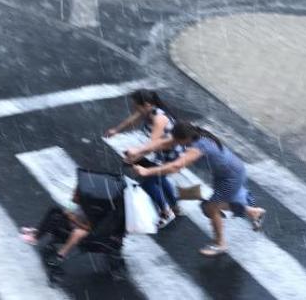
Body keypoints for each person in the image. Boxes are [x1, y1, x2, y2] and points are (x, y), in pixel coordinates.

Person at [129, 122, 266, 257]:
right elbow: (163, 143)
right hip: (229, 172)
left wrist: (147, 172)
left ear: (184, 139)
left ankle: (220, 243)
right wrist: (139, 151)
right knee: (214, 205)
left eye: (178, 141)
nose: (175, 144)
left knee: (210, 208)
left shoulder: (197, 148)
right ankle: (253, 212)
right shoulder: (193, 135)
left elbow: (175, 167)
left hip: (230, 177)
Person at [104, 89, 181, 228]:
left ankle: (166, 212)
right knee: (159, 178)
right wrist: (116, 129)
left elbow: (152, 145)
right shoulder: (148, 111)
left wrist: (135, 157)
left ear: (146, 104)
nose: (135, 108)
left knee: (148, 182)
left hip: (171, 154)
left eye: (137, 106)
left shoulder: (159, 119)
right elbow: (132, 118)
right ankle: (175, 206)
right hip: (162, 150)